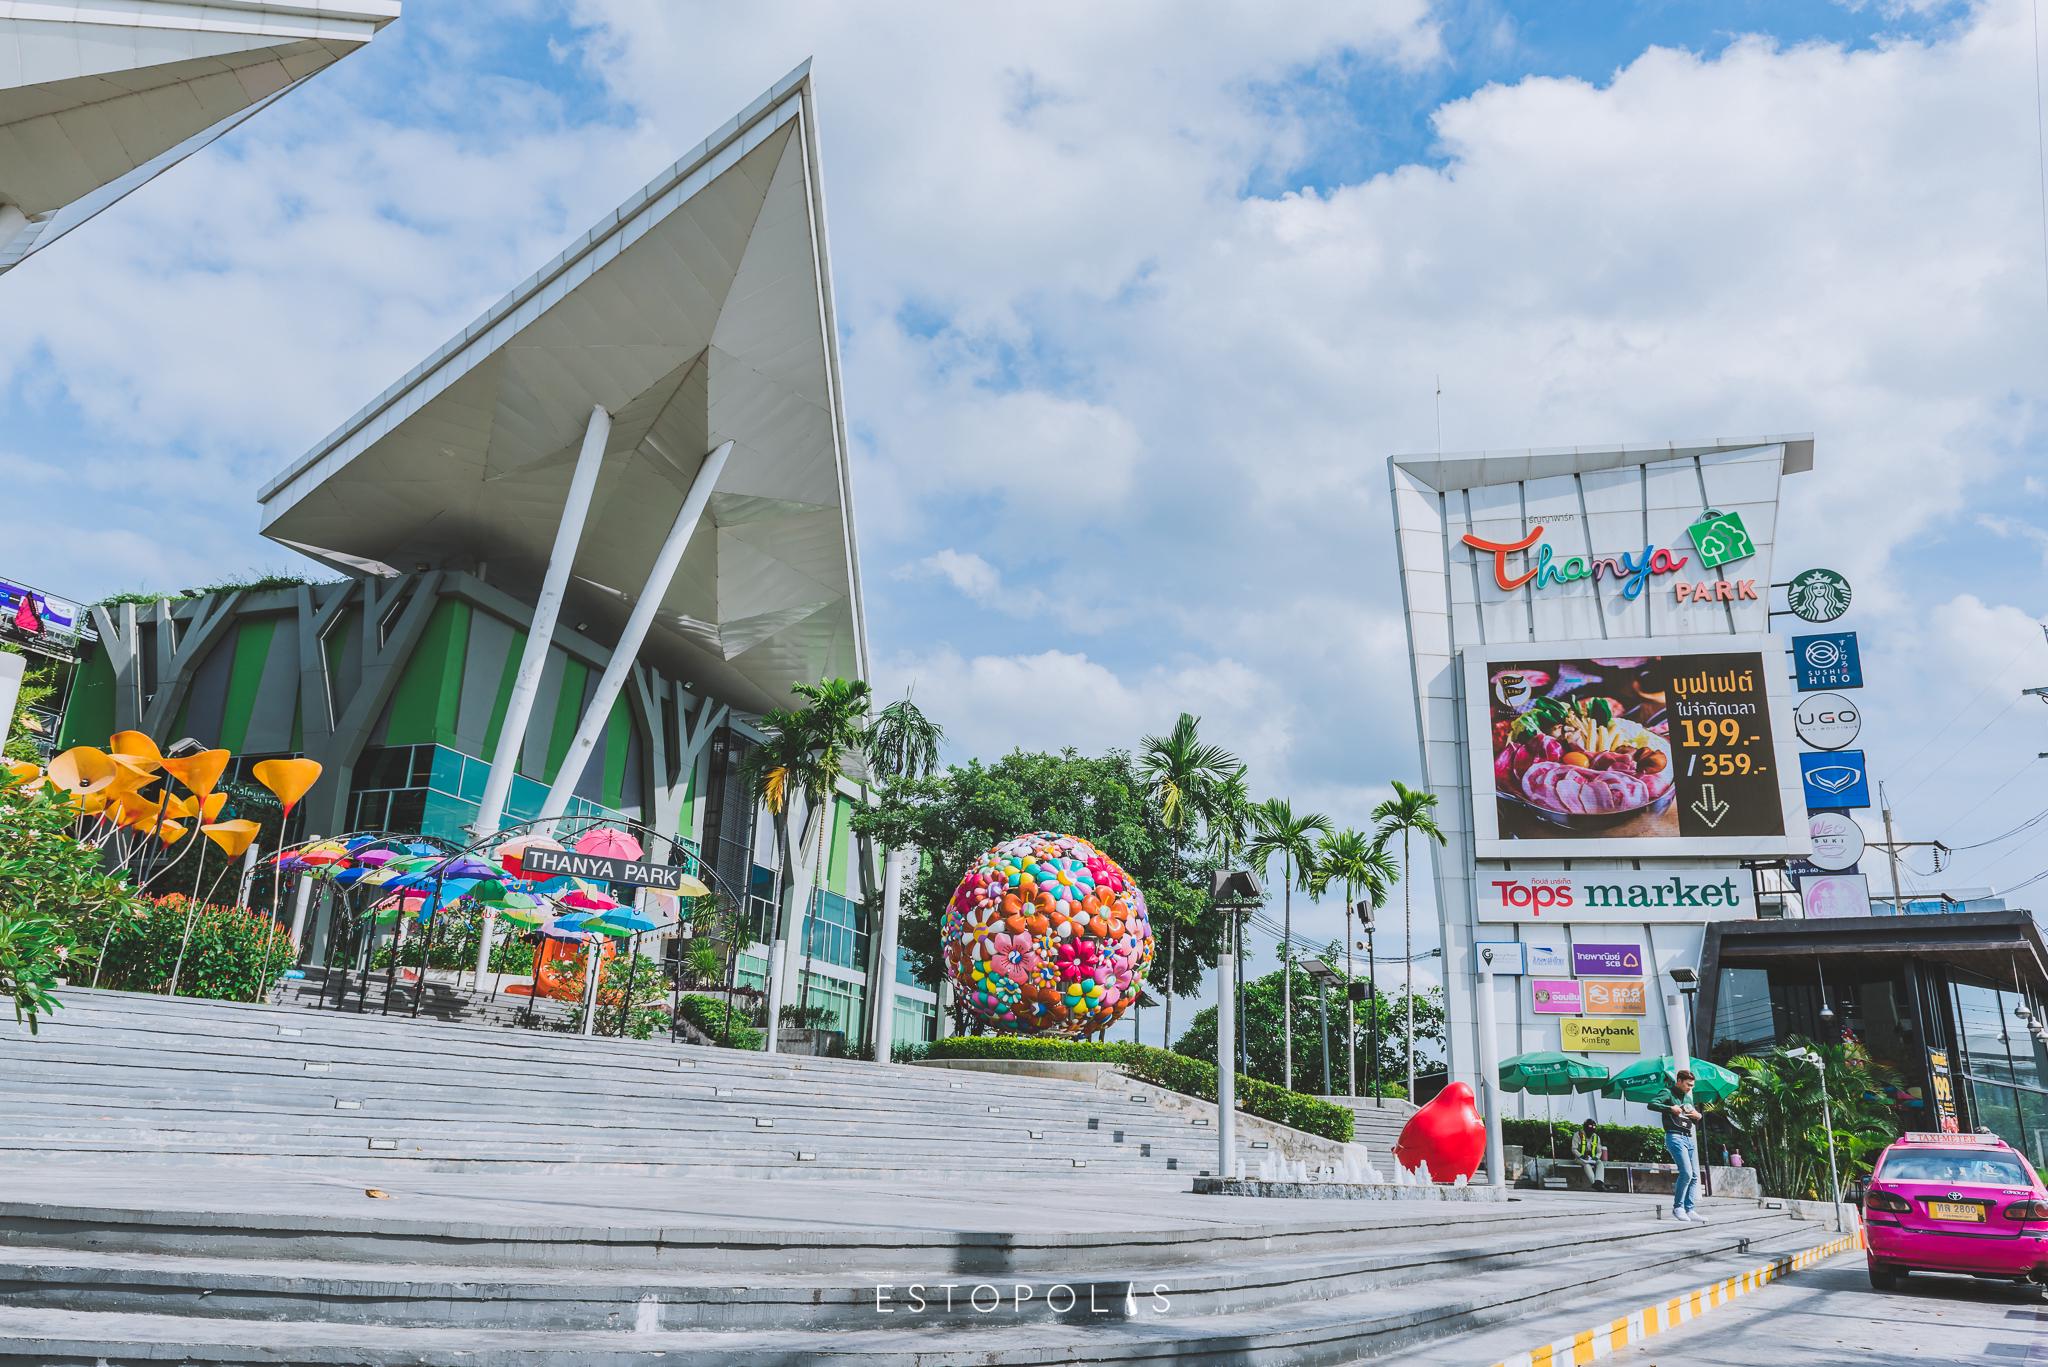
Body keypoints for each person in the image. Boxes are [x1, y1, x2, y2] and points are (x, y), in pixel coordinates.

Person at [1649, 1068, 1706, 1222]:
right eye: (1688, 1084)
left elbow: (1692, 1120)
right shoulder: (1667, 1092)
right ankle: (1678, 1207)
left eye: (1692, 1085)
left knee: (1694, 1176)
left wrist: (1698, 1116)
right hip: (1674, 1137)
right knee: (1686, 1173)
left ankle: (1690, 1209)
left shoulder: (1688, 1099)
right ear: (1679, 1081)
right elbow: (1652, 1104)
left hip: (1688, 1138)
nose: (1690, 1088)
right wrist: (1669, 1108)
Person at [1573, 1118, 1607, 1191]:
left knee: (1600, 1163)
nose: (1590, 1133)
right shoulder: (1577, 1135)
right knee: (1586, 1164)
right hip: (1579, 1158)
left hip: (1592, 1159)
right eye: (1589, 1130)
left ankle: (1599, 1182)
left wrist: (1596, 1158)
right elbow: (1574, 1149)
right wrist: (1581, 1156)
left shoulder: (1596, 1137)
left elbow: (1599, 1151)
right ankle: (1594, 1183)